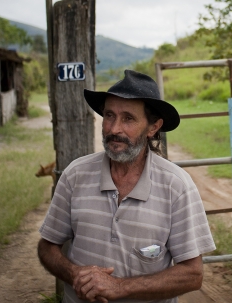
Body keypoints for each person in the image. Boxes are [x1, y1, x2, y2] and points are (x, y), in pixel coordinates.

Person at [37, 70, 216, 303]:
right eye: (109, 116)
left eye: (128, 119)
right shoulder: (75, 175)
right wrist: (75, 274)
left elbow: (192, 274)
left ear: (153, 127)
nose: (114, 129)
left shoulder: (177, 186)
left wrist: (119, 287)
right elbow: (47, 247)